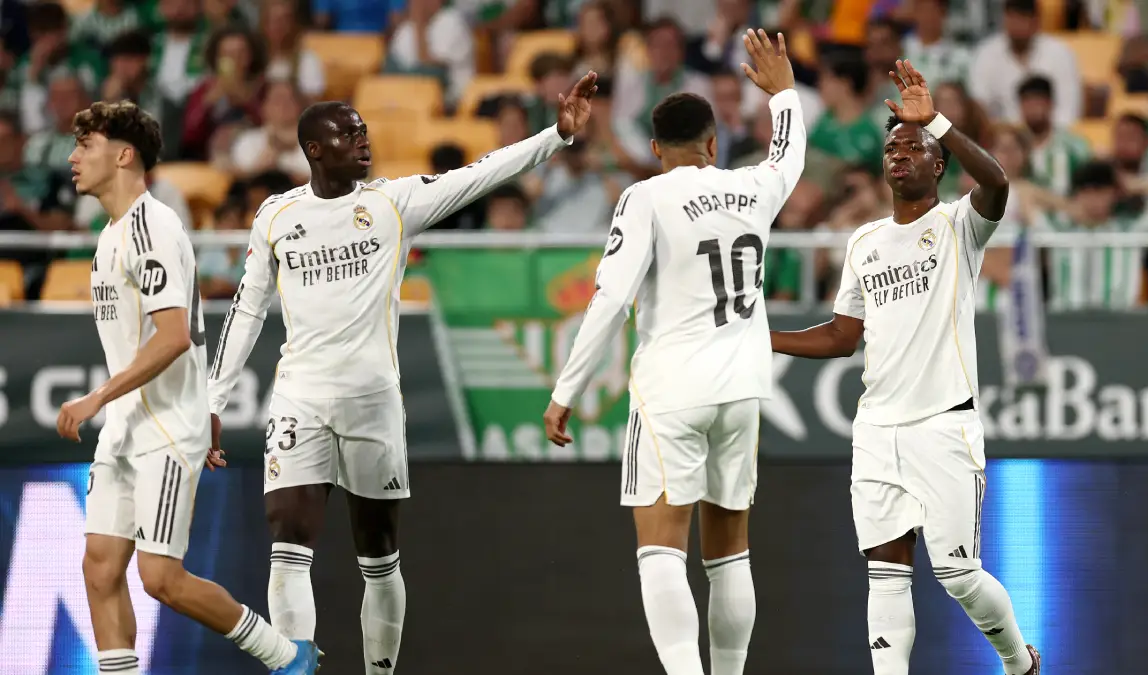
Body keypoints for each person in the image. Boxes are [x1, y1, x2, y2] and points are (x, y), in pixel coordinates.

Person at [206, 72, 599, 675]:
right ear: (314, 149)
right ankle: (294, 667)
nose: (363, 141)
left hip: (373, 401)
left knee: (378, 555)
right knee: (287, 543)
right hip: (299, 398)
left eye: (364, 131)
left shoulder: (393, 203)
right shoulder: (277, 215)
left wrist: (556, 136)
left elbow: (480, 174)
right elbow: (246, 308)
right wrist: (214, 399)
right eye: (349, 134)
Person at [544, 30, 805, 675]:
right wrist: (784, 94)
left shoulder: (647, 196)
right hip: (742, 389)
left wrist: (566, 390)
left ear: (656, 149)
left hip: (672, 391)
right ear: (713, 145)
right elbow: (789, 155)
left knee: (661, 550)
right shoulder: (755, 188)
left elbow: (610, 298)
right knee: (730, 550)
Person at [769, 60, 1041, 675]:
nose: (900, 154)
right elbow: (841, 336)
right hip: (876, 429)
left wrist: (937, 121)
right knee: (886, 575)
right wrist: (764, 339)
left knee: (957, 574)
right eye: (892, 147)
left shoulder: (958, 225)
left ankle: (1018, 661)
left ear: (938, 165)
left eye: (914, 147)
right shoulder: (863, 242)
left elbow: (997, 182)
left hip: (943, 423)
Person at [55, 100, 320, 675]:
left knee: (160, 578)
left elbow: (174, 335)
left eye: (86, 145)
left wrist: (98, 396)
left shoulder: (151, 226)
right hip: (127, 426)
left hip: (166, 429)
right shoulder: (110, 235)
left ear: (123, 155)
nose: (73, 158)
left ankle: (286, 655)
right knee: (99, 568)